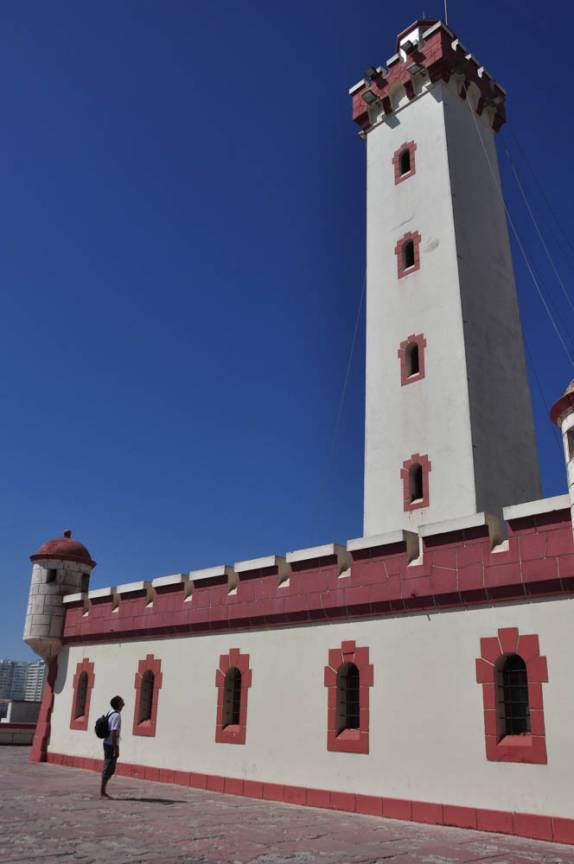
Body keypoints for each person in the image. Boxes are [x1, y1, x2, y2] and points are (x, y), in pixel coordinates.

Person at [100, 695, 125, 799]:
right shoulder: (116, 715)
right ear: (118, 704)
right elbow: (114, 731)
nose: (123, 704)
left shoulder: (110, 712)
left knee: (109, 765)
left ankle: (103, 790)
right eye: (122, 702)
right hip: (111, 744)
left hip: (107, 742)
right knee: (109, 767)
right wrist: (116, 747)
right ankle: (103, 792)